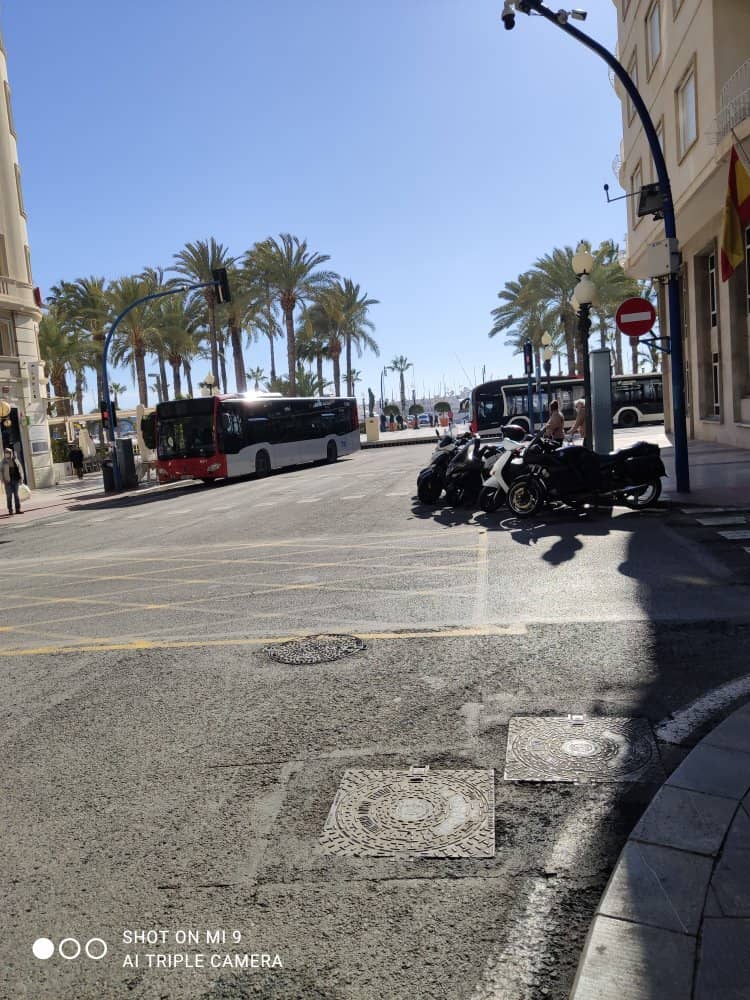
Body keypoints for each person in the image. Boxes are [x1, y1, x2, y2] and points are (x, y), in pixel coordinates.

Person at [1, 446, 24, 515]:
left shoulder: (15, 460)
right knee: (9, 496)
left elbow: (20, 469)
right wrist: (2, 479)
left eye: (8, 453)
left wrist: (21, 478)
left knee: (16, 495)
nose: (7, 454)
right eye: (6, 453)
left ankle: (18, 509)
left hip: (15, 480)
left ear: (11, 453)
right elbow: (1, 471)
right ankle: (10, 510)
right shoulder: (3, 461)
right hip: (7, 481)